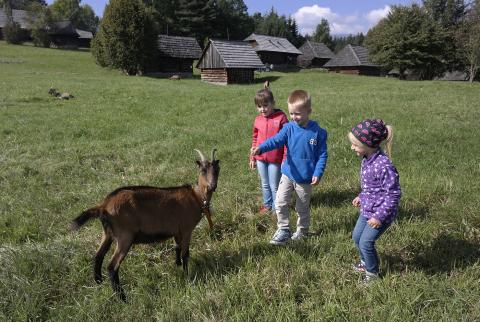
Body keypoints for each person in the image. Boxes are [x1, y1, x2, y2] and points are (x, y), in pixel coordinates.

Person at [251, 89, 328, 245]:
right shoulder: (289, 128)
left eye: (298, 114)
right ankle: (284, 229)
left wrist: (318, 173)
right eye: (291, 113)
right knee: (279, 202)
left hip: (305, 178)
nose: (294, 117)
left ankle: (302, 231)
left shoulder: (318, 133)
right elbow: (276, 140)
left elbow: (322, 155)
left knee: (302, 207)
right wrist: (261, 147)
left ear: (309, 111)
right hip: (287, 173)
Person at [348, 119, 401, 283]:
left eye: (355, 145)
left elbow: (393, 194)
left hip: (381, 213)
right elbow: (371, 187)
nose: (352, 148)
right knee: (357, 237)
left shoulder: (383, 165)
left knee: (365, 242)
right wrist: (361, 196)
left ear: (368, 144)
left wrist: (379, 217)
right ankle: (365, 263)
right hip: (367, 209)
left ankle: (372, 274)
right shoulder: (367, 159)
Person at [250, 81, 289, 214]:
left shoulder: (281, 118)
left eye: (265, 105)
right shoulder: (258, 120)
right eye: (259, 106)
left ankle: (276, 208)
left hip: (275, 160)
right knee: (264, 184)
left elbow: (286, 141)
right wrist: (252, 158)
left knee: (274, 186)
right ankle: (267, 206)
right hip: (260, 158)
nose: (262, 109)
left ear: (273, 103)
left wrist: (285, 159)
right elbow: (255, 139)